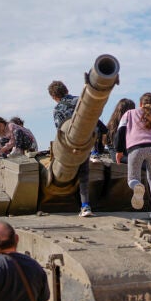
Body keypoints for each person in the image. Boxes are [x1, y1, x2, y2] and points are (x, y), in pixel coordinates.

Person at [48, 80, 94, 217]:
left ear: (54, 97)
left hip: (69, 148)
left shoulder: (57, 109)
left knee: (75, 173)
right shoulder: (79, 101)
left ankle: (83, 207)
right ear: (66, 90)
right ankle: (85, 206)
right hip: (87, 143)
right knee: (84, 176)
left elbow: (60, 130)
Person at [115, 92, 151, 218]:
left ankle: (137, 186)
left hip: (136, 148)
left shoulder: (129, 113)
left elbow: (120, 132)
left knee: (132, 179)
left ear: (140, 103)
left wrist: (119, 151)